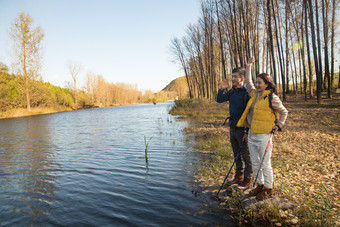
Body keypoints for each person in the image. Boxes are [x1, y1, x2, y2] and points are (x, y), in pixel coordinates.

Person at [236, 57, 288, 200]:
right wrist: (248, 66)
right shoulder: (254, 94)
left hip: (265, 135)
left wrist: (279, 125)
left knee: (265, 163)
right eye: (256, 82)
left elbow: (284, 112)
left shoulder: (272, 98)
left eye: (260, 83)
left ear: (266, 84)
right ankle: (260, 185)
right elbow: (248, 81)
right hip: (252, 134)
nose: (257, 84)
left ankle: (269, 189)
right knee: (256, 162)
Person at [217, 67, 253, 191]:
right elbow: (219, 99)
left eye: (235, 77)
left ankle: (248, 180)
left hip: (243, 129)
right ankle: (239, 176)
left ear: (242, 79)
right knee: (236, 154)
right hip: (232, 127)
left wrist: (247, 131)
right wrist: (222, 88)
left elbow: (251, 113)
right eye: (232, 76)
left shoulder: (246, 93)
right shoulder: (232, 91)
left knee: (246, 156)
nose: (233, 79)